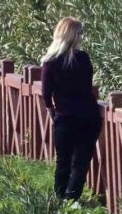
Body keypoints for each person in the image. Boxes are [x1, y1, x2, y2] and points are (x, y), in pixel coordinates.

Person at [41, 17, 102, 200]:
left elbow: (46, 93)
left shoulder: (49, 61)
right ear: (73, 36)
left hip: (64, 116)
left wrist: (52, 110)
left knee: (63, 160)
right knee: (81, 160)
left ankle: (60, 199)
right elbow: (87, 85)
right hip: (87, 115)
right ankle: (72, 198)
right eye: (80, 33)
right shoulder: (82, 58)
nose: (81, 37)